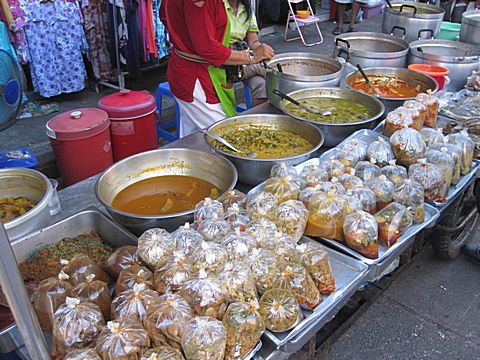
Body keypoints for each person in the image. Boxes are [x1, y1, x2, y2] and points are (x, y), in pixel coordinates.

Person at [160, 0, 274, 138]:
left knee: (192, 138)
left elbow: (164, 16)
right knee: (226, 136)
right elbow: (207, 48)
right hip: (197, 78)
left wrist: (184, 39)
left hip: (187, 70)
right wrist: (252, 56)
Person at [225, 0, 273, 107]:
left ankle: (251, 118)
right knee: (267, 69)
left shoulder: (247, 11)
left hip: (243, 61)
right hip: (225, 61)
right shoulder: (217, 7)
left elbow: (253, 42)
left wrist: (262, 50)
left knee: (261, 86)